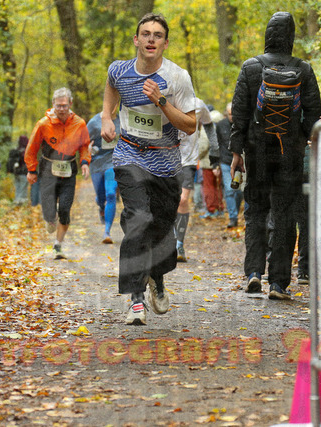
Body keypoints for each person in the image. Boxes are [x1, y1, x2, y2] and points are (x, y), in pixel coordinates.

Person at [101, 12, 197, 325]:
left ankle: (157, 275)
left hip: (166, 162)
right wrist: (106, 116)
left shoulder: (177, 77)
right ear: (136, 40)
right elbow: (111, 86)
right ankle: (135, 299)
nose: (151, 39)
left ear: (165, 43)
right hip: (130, 155)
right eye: (146, 34)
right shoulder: (119, 70)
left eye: (157, 35)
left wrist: (161, 102)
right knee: (138, 218)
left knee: (162, 231)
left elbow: (190, 125)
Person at [230, 12, 321, 300]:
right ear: (291, 37)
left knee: (256, 211)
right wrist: (300, 137)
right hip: (289, 155)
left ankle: (253, 273)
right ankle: (279, 284)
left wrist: (236, 152)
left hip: (256, 152)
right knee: (284, 214)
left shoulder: (250, 67)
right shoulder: (303, 70)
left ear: (267, 35)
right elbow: (314, 114)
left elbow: (239, 113)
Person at [25, 87, 91, 259]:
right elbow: (32, 148)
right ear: (53, 104)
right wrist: (31, 170)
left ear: (70, 104)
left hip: (69, 171)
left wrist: (85, 162)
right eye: (58, 105)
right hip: (48, 171)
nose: (61, 109)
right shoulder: (43, 124)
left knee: (65, 209)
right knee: (49, 212)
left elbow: (84, 146)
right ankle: (49, 218)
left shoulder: (79, 124)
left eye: (64, 105)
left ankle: (58, 246)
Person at [175, 98, 213, 262]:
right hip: (166, 159)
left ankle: (179, 244)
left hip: (188, 161)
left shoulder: (198, 104)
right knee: (169, 201)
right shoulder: (164, 99)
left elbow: (209, 125)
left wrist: (215, 150)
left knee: (183, 200)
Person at [87, 111, 121, 244]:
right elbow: (83, 142)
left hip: (113, 162)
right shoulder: (94, 122)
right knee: (101, 196)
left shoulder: (122, 120)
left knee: (111, 194)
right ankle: (101, 205)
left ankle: (107, 232)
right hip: (96, 164)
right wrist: (87, 148)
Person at [216, 102, 243, 228]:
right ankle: (233, 217)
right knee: (229, 189)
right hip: (225, 162)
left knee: (238, 191)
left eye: (233, 114)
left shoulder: (242, 124)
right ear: (226, 114)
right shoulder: (220, 125)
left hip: (239, 162)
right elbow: (216, 144)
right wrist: (216, 164)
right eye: (229, 114)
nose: (232, 116)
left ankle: (235, 211)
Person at [7, 135, 30, 205]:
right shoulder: (25, 151)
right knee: (23, 188)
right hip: (23, 172)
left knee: (18, 187)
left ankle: (16, 200)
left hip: (16, 172)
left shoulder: (16, 150)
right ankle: (21, 202)